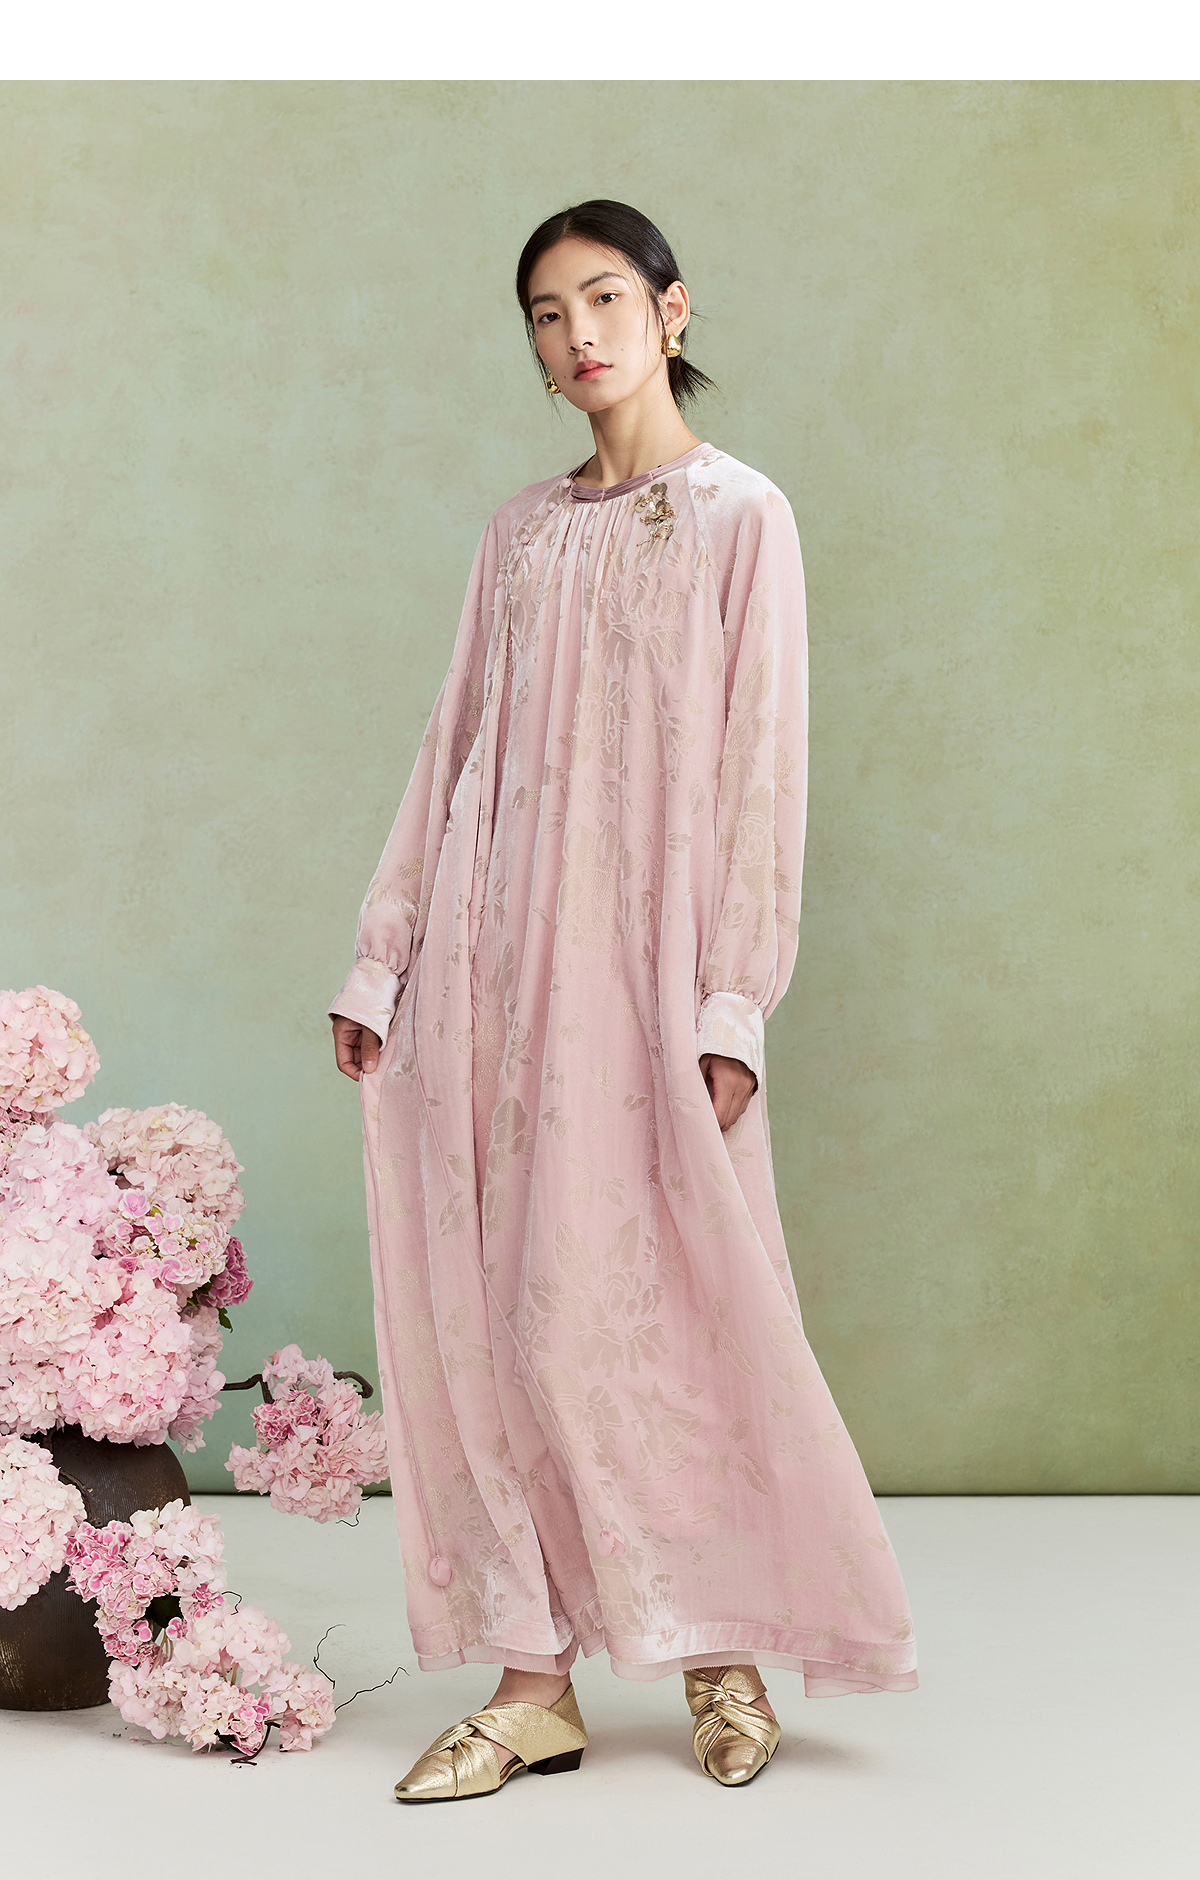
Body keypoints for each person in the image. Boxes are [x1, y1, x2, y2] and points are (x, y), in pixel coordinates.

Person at [329, 199, 917, 1801]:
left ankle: (721, 1647)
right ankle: (536, 1680)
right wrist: (387, 951)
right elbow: (453, 742)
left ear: (671, 310)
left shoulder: (742, 518)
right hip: (496, 967)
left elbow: (761, 768)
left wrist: (731, 999)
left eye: (602, 297)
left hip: (650, 973)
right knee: (511, 1311)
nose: (576, 332)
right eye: (544, 312)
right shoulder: (518, 534)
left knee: (672, 1298)